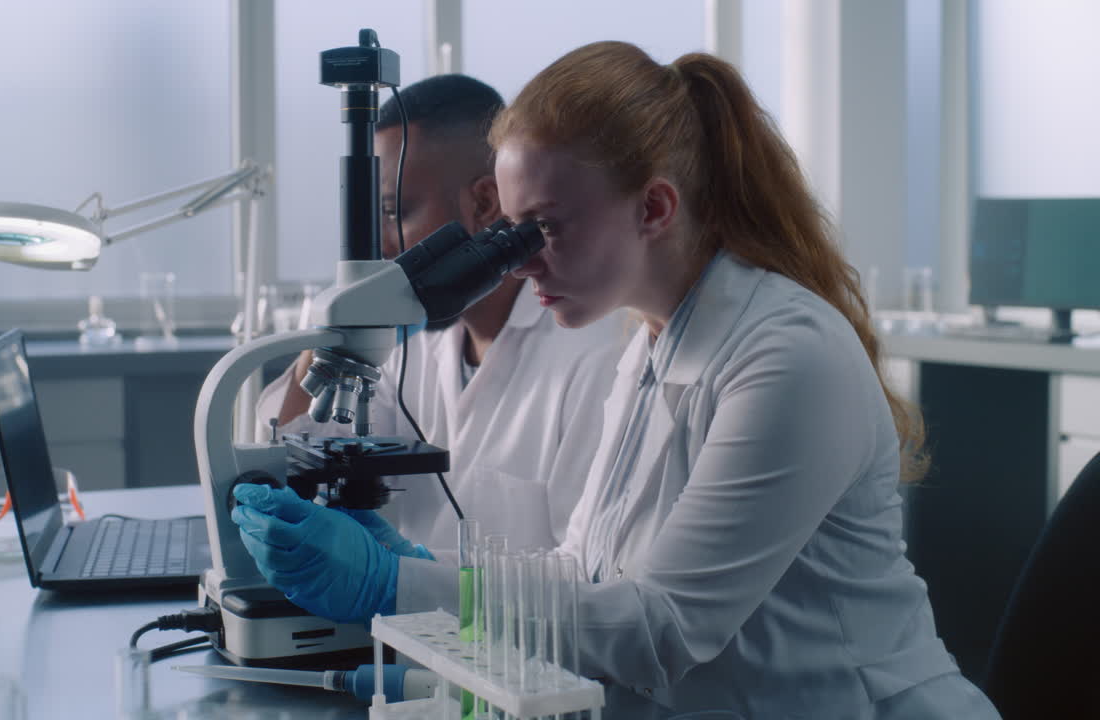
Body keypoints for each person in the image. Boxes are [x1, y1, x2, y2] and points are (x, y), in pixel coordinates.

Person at [232, 44, 1001, 718]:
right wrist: (422, 568)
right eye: (509, 233)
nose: (522, 259)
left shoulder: (789, 358)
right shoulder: (651, 341)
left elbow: (658, 632)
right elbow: (581, 574)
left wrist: (391, 586)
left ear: (655, 208)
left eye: (545, 227)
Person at [254, 73, 625, 556]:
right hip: (418, 628)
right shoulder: (413, 346)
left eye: (394, 212)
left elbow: (589, 574)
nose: (383, 245)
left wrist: (401, 584)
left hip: (519, 629)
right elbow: (296, 451)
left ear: (484, 203)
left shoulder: (595, 352)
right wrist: (325, 341)